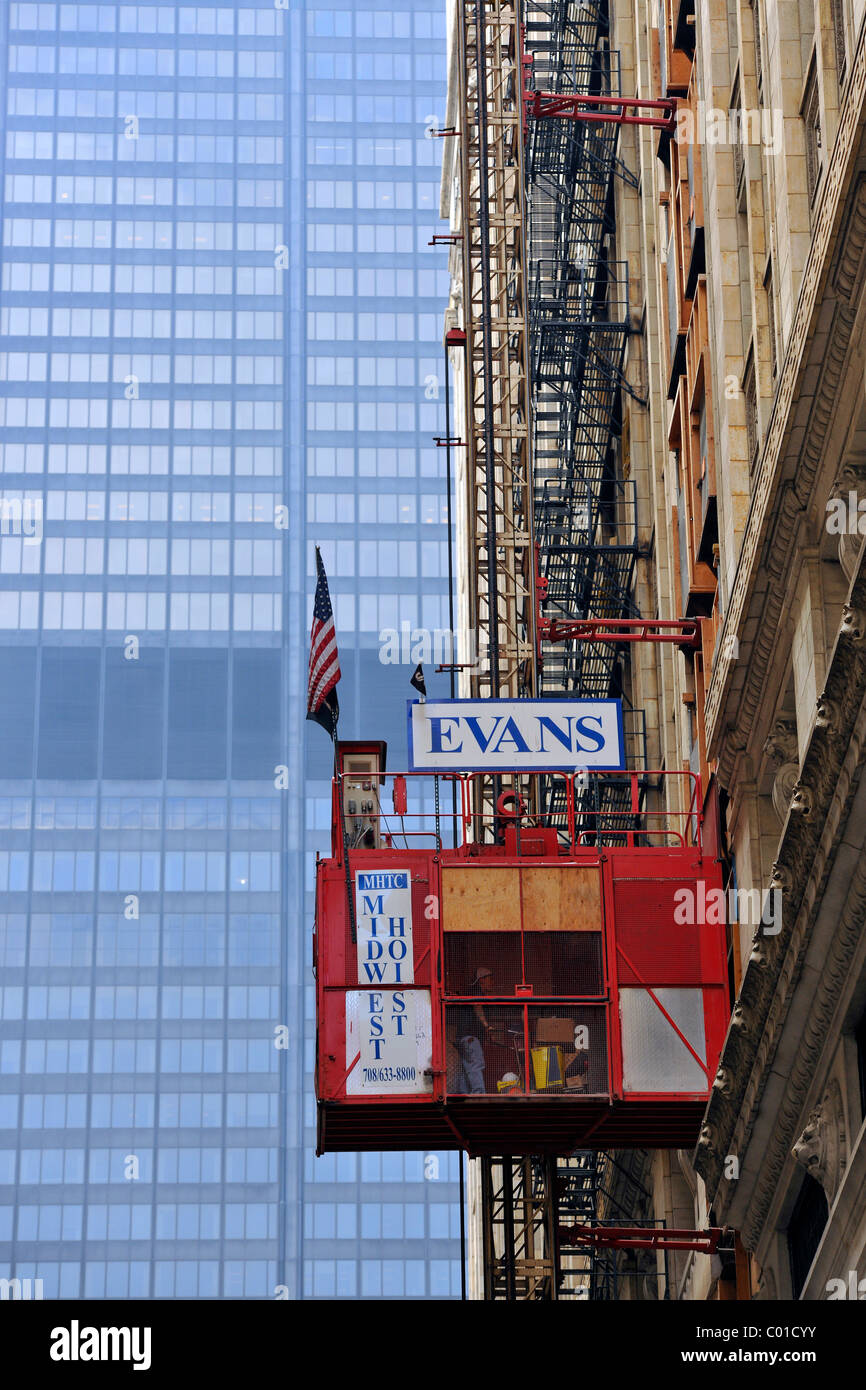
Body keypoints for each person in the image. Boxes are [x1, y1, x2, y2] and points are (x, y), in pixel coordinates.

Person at [454, 966, 496, 1094]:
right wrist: (486, 1026)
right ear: (481, 980)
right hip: (470, 1038)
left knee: (466, 1067)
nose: (492, 982)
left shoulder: (474, 992)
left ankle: (463, 1093)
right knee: (475, 1064)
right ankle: (478, 1093)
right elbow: (477, 1006)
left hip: (463, 1038)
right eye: (490, 979)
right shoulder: (477, 992)